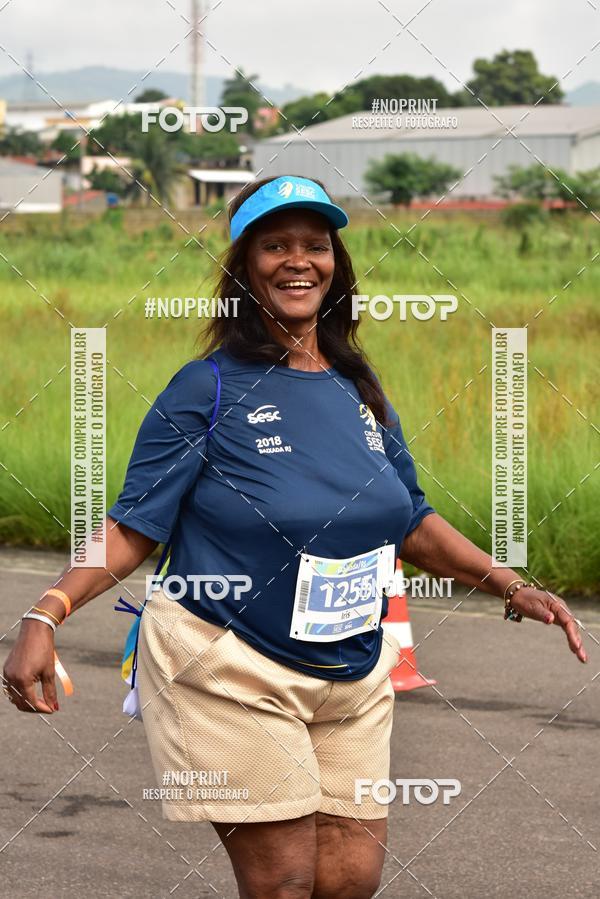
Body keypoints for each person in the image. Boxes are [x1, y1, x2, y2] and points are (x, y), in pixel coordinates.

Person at [3, 174, 587, 899]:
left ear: (335, 265)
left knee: (350, 880)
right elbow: (134, 525)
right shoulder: (206, 387)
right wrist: (45, 611)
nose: (297, 260)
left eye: (315, 245)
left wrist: (512, 584)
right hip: (228, 658)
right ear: (245, 267)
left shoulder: (356, 384)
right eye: (274, 244)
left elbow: (410, 517)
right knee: (284, 881)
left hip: (352, 667)